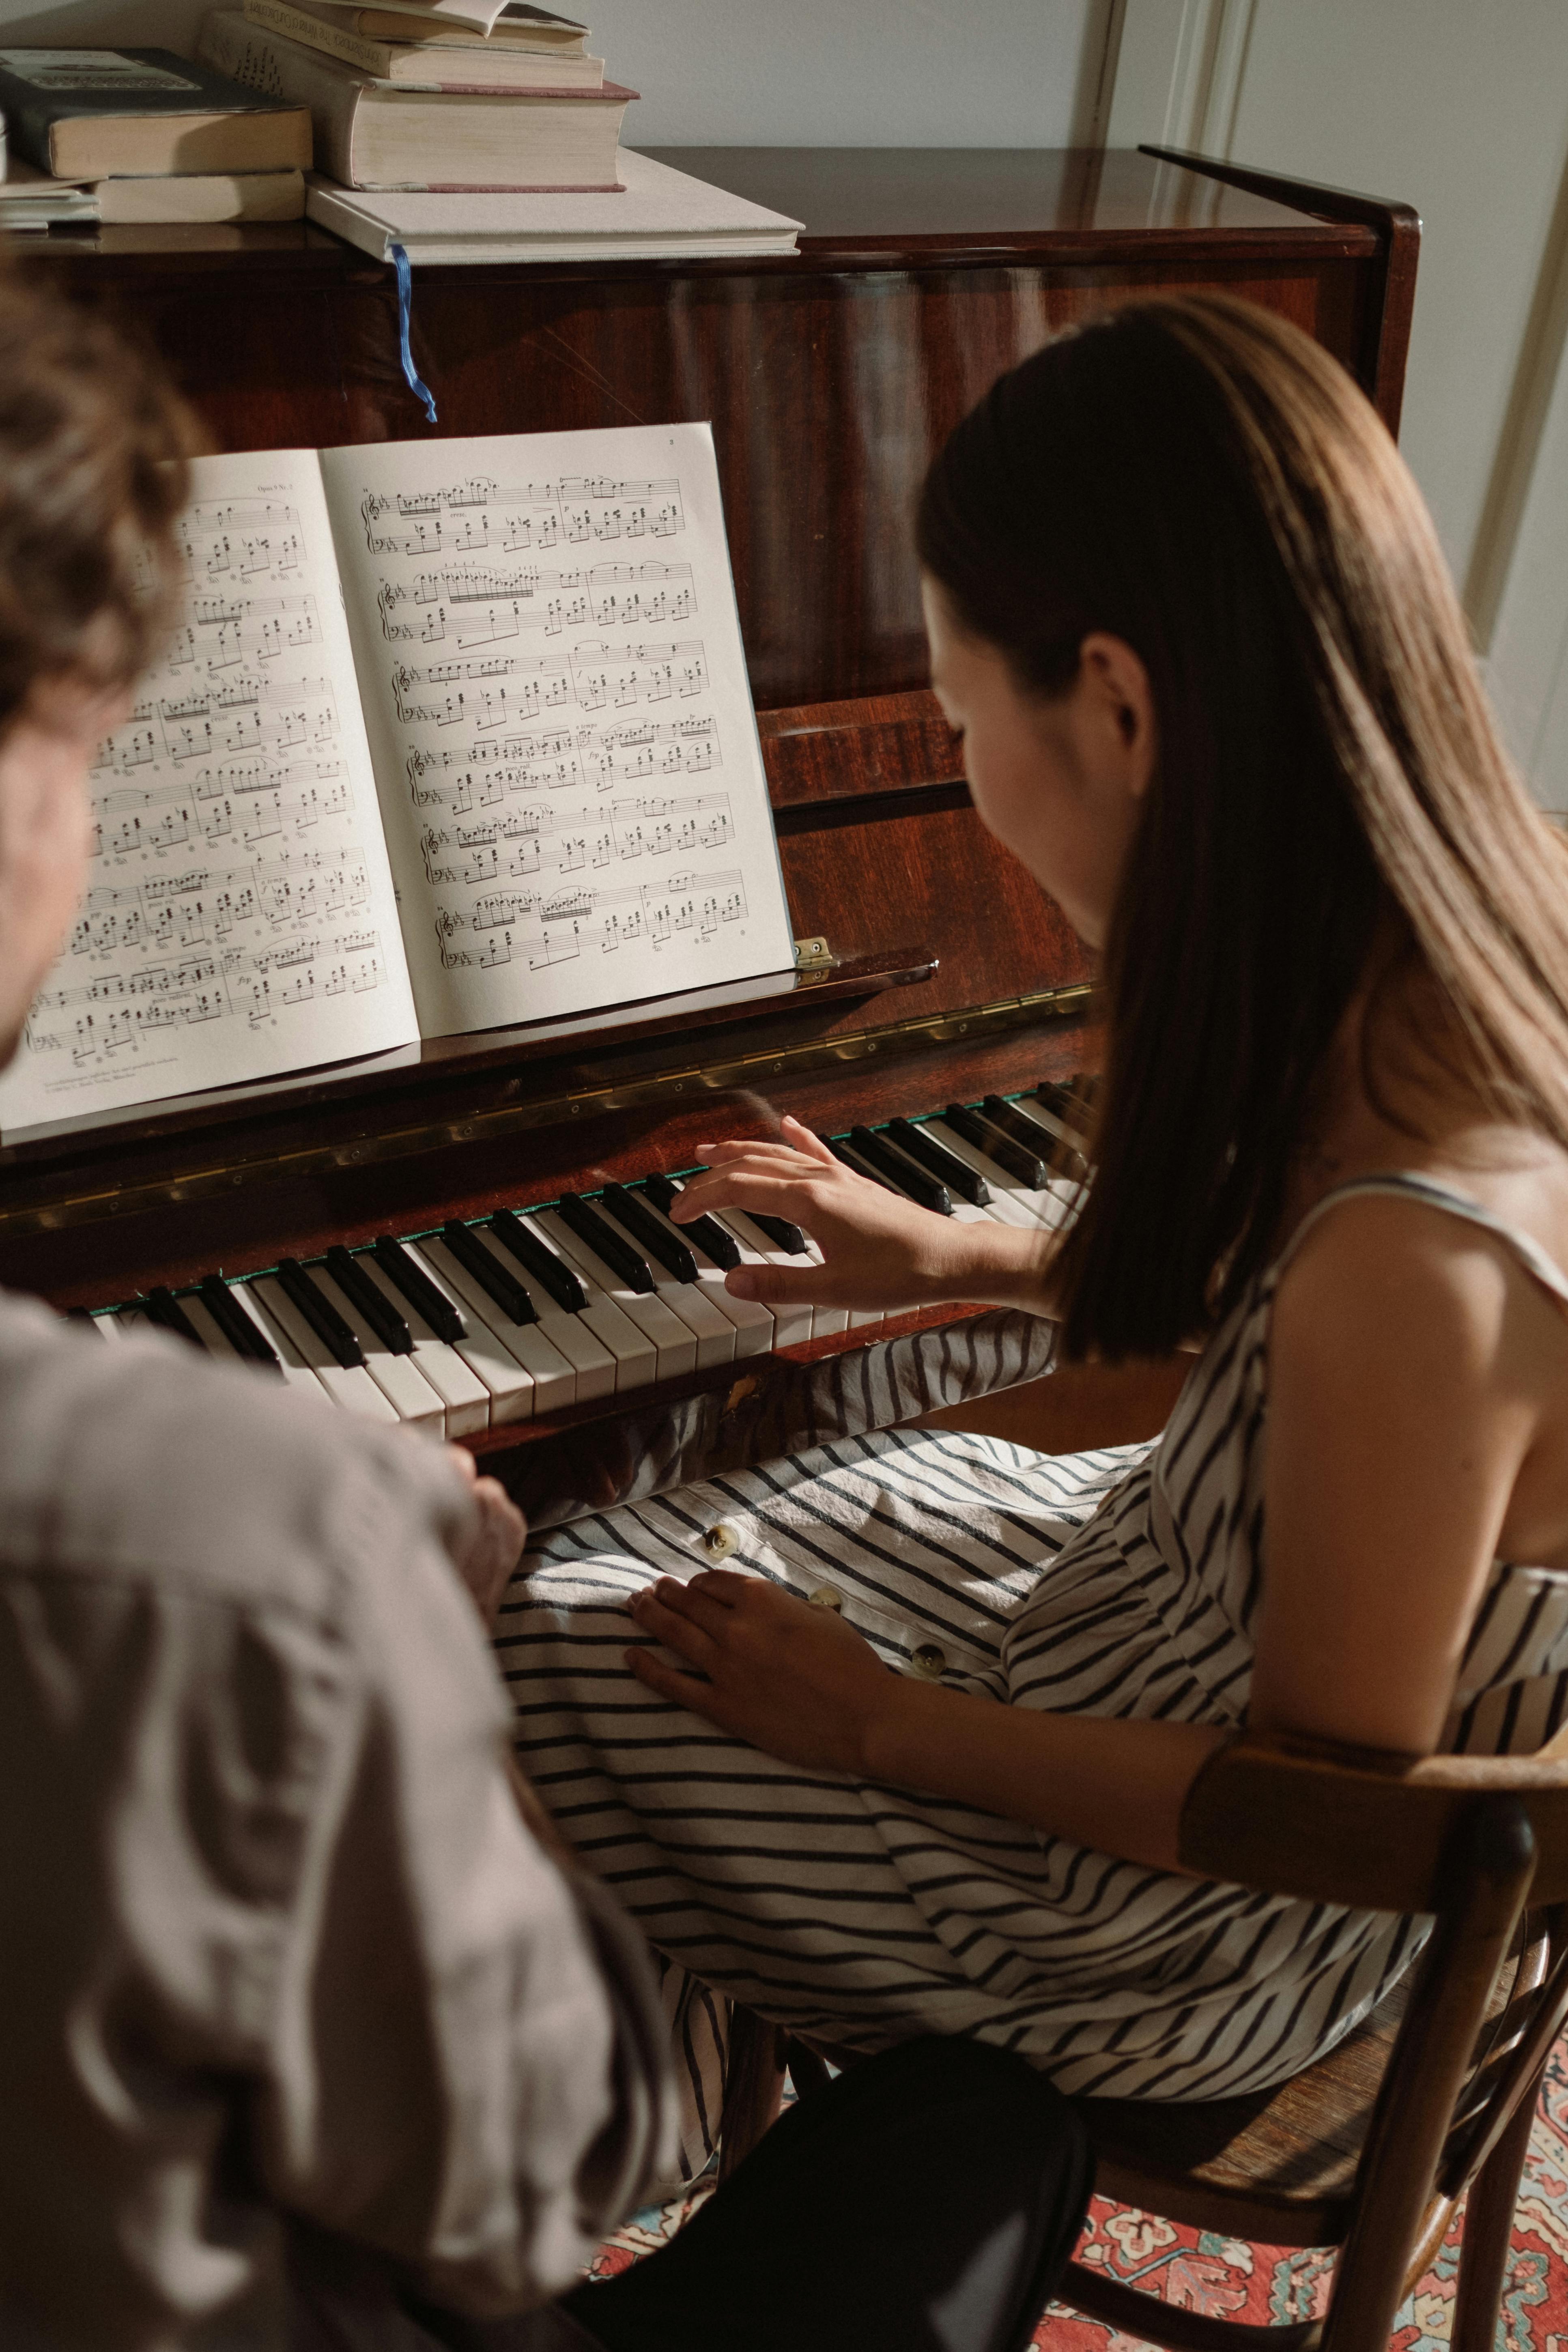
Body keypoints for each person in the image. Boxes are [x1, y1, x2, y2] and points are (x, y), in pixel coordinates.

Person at [0, 266, 1092, 2352]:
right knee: (975, 2132)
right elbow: (551, 2164)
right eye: (84, 762)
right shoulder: (242, 1549)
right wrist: (433, 1680)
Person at [503, 292, 1568, 2117]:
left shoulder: (1419, 1247)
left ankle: (622, 2201)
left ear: (1123, 704)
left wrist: (879, 1722)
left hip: (1179, 1921)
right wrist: (949, 1252)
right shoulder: (1467, 939)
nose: (968, 782)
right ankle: (715, 2136)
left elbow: (1310, 1813)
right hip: (1137, 1614)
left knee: (532, 1633)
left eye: (952, 715)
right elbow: (1287, 1342)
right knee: (692, 1541)